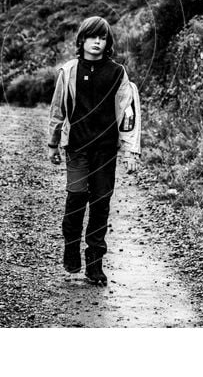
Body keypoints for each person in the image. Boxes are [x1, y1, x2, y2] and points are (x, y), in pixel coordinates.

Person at [47, 16, 141, 285]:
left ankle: (95, 264)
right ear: (82, 41)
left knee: (100, 204)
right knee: (76, 200)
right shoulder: (69, 71)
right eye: (92, 37)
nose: (97, 42)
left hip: (105, 151)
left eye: (102, 38)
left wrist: (131, 150)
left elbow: (128, 113)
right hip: (76, 148)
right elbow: (58, 110)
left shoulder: (116, 73)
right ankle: (71, 249)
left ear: (108, 42)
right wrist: (53, 143)